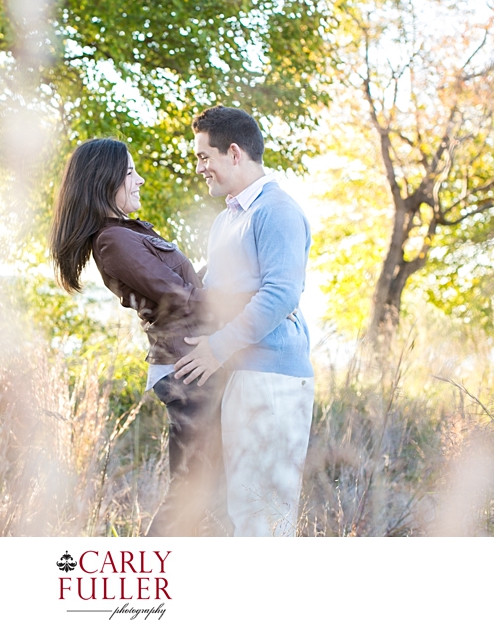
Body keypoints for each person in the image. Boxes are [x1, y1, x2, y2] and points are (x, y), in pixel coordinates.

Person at [49, 137, 239, 537]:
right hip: (186, 368)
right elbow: (181, 300)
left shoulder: (126, 234)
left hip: (190, 365)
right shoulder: (114, 240)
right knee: (192, 489)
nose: (139, 180)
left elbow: (181, 287)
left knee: (207, 488)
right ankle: (151, 573)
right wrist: (256, 299)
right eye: (131, 172)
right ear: (107, 181)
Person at [174, 105, 315, 537]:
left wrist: (216, 349)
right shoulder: (226, 220)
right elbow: (212, 296)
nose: (201, 168)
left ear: (233, 153)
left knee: (265, 518)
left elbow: (280, 295)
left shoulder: (276, 211)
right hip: (240, 375)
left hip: (272, 380)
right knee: (243, 512)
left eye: (204, 157)